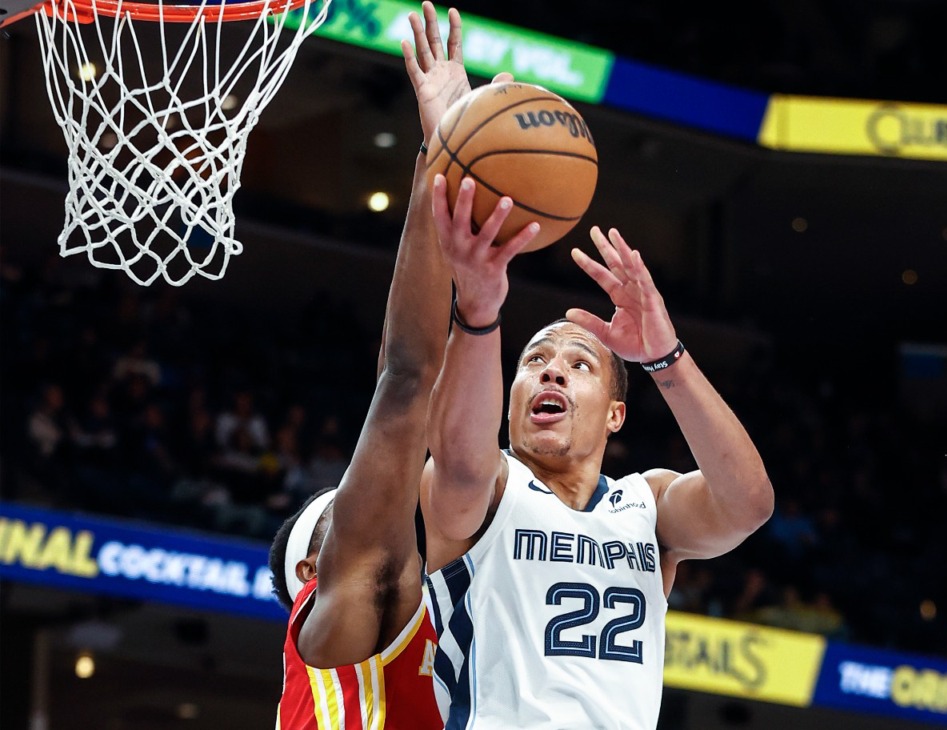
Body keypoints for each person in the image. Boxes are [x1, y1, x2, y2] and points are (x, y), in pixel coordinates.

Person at [267, 5, 538, 729]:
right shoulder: (350, 617)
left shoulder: (448, 633)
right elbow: (406, 380)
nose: (386, 510)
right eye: (350, 514)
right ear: (310, 574)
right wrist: (443, 154)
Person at [420, 197, 775, 728]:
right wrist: (479, 313)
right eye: (534, 360)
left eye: (579, 364)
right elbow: (459, 462)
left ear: (615, 415)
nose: (552, 372)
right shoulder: (492, 484)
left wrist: (666, 356)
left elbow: (748, 504)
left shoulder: (647, 502)